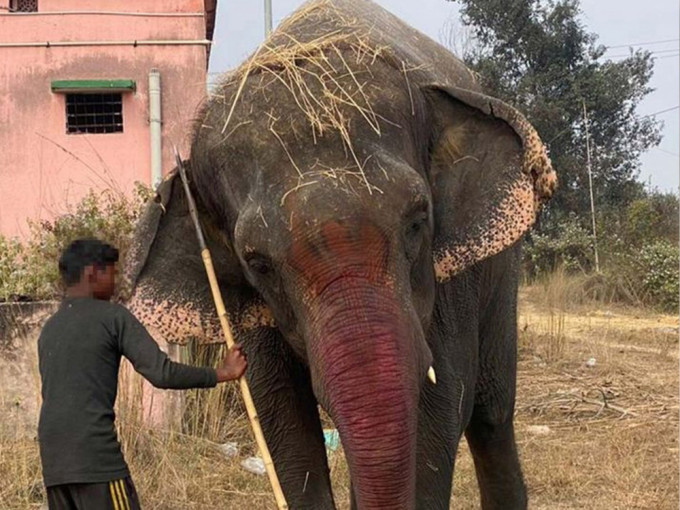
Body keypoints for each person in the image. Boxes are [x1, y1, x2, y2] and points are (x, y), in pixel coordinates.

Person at [38, 238, 247, 510]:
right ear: (92, 273)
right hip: (95, 458)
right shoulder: (113, 317)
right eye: (111, 274)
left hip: (54, 462)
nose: (114, 285)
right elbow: (163, 374)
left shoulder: (50, 328)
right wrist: (222, 373)